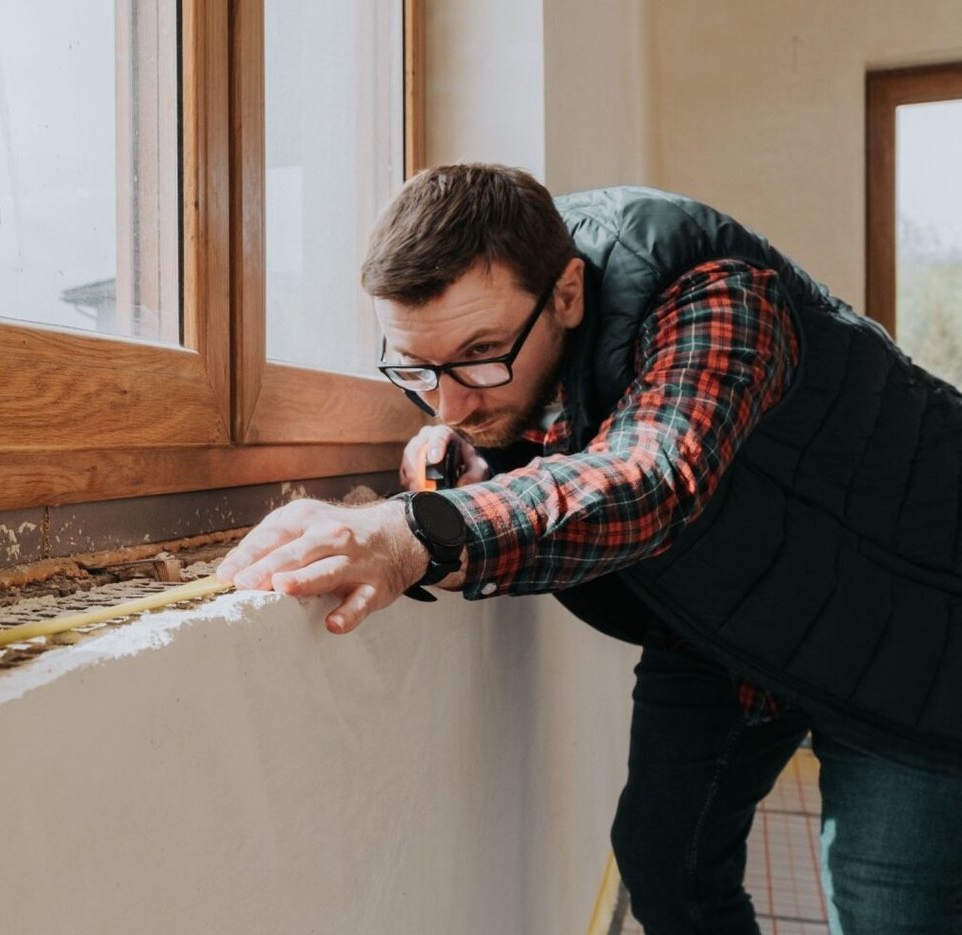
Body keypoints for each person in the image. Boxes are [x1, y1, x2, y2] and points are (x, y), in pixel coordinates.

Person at [215, 163, 962, 934]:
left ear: (568, 291)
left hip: (913, 636)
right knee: (665, 866)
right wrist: (479, 457)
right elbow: (557, 420)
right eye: (417, 368)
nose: (450, 401)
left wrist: (419, 530)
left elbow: (653, 473)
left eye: (479, 355)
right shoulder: (506, 342)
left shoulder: (716, 294)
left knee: (888, 913)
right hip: (734, 622)